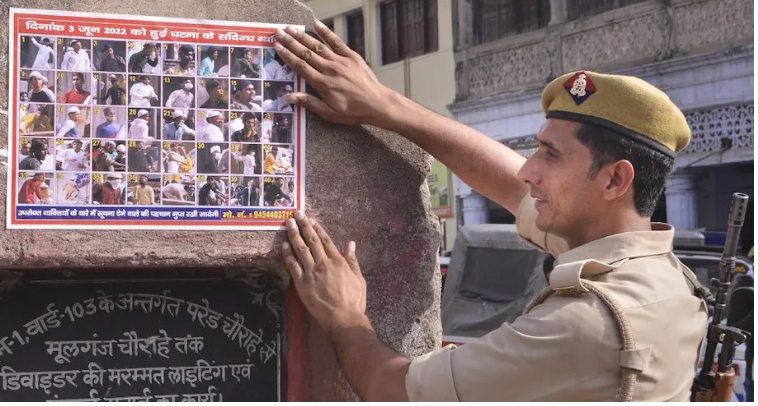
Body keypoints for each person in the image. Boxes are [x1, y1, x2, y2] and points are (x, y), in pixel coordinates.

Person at [272, 22, 709, 401]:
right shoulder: (660, 273)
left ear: (614, 180)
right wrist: (385, 106)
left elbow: (395, 392)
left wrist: (344, 314)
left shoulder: (583, 323)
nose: (530, 171)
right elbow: (505, 181)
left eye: (551, 156)